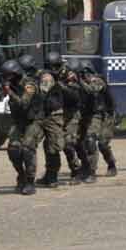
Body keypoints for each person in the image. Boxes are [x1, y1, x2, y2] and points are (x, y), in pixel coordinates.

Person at [0, 58, 42, 195]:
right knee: (13, 150)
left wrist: (10, 92)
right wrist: (2, 91)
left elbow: (24, 104)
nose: (7, 78)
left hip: (33, 121)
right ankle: (22, 176)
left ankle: (31, 182)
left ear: (16, 73)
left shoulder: (29, 84)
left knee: (27, 149)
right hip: (18, 122)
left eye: (8, 75)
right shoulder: (11, 84)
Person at [25, 53, 64, 188]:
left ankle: (52, 177)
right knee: (29, 144)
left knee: (52, 147)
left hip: (52, 116)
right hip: (41, 116)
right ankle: (34, 178)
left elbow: (44, 95)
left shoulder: (46, 77)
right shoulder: (39, 77)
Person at [78, 62, 118, 180]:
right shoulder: (80, 83)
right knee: (89, 140)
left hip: (106, 115)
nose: (84, 77)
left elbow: (92, 90)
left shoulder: (98, 80)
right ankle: (90, 170)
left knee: (102, 143)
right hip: (93, 115)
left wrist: (79, 81)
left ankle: (111, 164)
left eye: (84, 74)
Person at [52, 53, 84, 183]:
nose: (54, 69)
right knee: (55, 143)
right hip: (59, 112)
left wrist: (62, 86)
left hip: (73, 112)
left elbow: (75, 96)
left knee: (69, 143)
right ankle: (51, 173)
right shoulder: (53, 75)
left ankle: (77, 170)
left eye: (56, 66)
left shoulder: (69, 75)